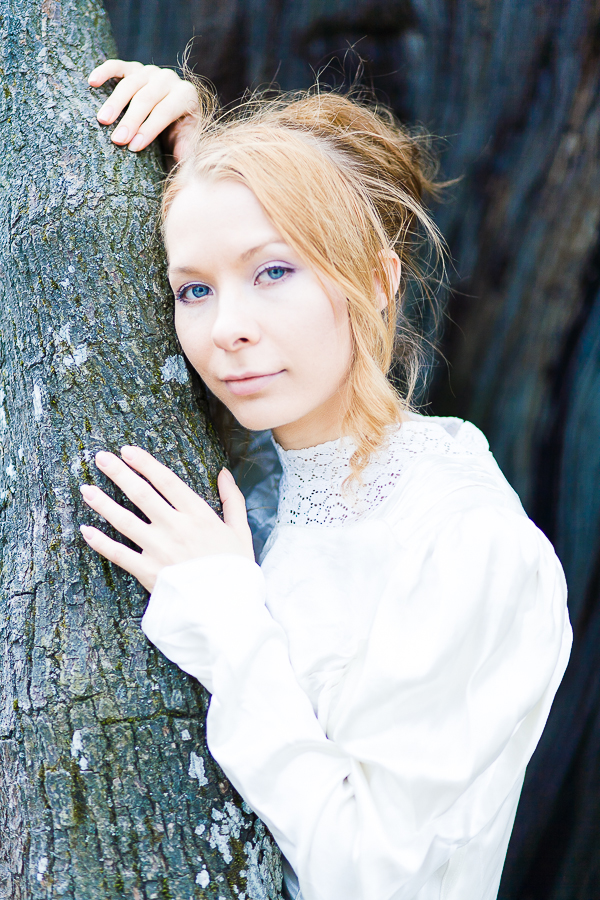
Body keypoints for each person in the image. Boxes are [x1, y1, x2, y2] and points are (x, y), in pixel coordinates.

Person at [78, 60, 572, 900]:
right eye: (193, 288)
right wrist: (191, 157)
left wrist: (226, 614)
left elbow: (369, 873)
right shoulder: (256, 474)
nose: (227, 328)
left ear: (376, 282)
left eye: (274, 272)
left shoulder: (461, 542)